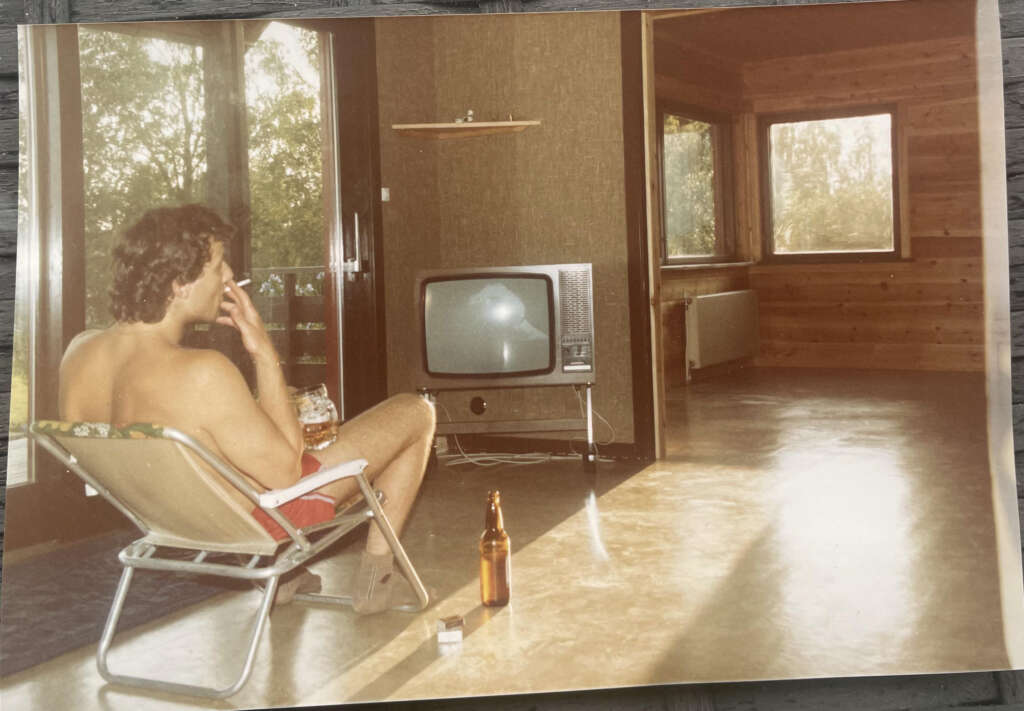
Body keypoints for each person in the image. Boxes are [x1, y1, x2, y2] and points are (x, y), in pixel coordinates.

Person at [58, 204, 435, 613]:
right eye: (219, 265)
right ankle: (377, 580)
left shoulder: (79, 353)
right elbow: (287, 473)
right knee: (415, 410)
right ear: (180, 284)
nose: (228, 277)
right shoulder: (203, 372)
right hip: (262, 519)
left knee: (272, 425)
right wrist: (264, 353)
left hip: (170, 520)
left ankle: (286, 576)